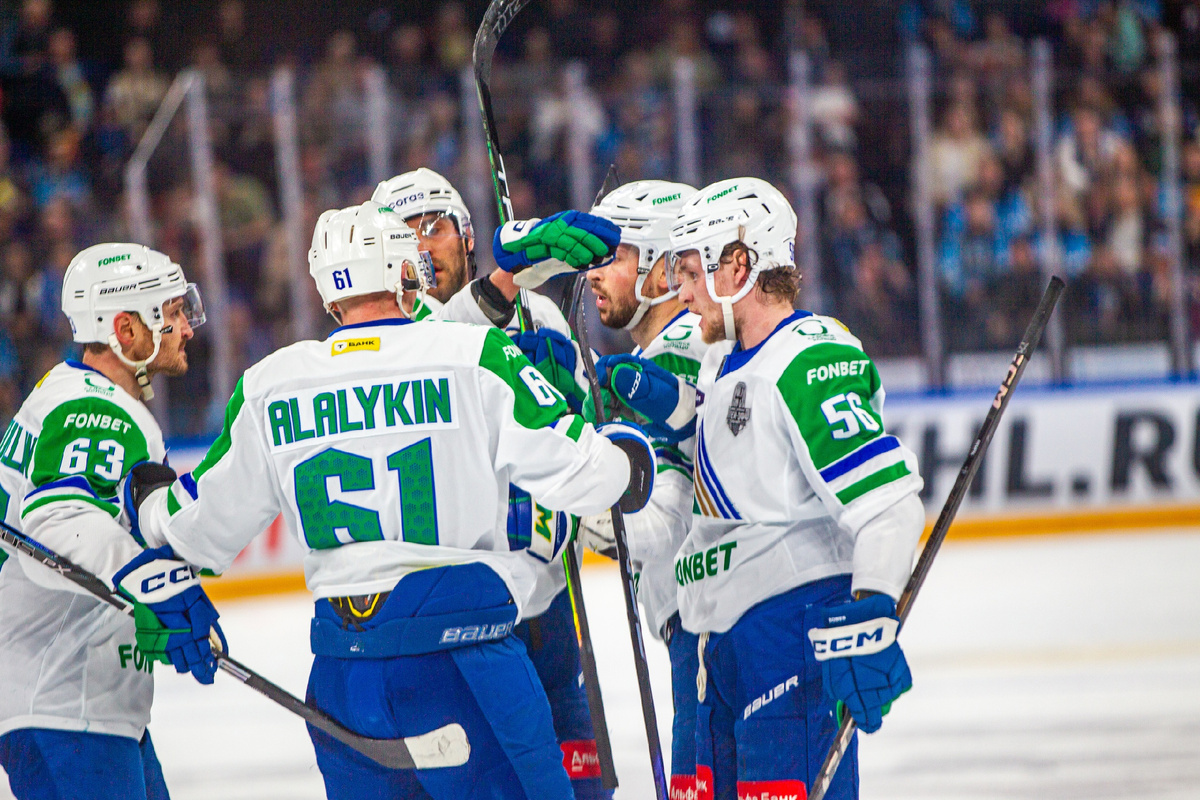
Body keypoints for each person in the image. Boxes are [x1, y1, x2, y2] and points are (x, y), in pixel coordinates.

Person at [125, 201, 655, 800]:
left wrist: (147, 499)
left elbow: (197, 530)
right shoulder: (475, 355)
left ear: (329, 295)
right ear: (408, 277)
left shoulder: (271, 383)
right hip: (465, 654)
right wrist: (627, 455)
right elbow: (589, 477)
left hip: (344, 677)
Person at [662, 178, 925, 799]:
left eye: (695, 271)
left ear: (740, 265)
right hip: (721, 643)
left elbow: (887, 503)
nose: (685, 291)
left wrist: (873, 612)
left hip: (788, 637)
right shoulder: (722, 358)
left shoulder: (809, 358)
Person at [373, 168, 614, 797]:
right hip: (458, 615)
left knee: (583, 787)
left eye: (435, 226)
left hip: (548, 597)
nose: (422, 244)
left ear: (466, 234)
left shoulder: (539, 315)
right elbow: (441, 352)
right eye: (404, 234)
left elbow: (576, 434)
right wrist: (503, 288)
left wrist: (571, 405)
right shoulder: (387, 334)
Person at [0, 243, 212, 800]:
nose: (186, 327)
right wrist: (151, 582)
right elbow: (56, 517)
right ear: (125, 328)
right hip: (62, 706)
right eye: (169, 313)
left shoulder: (68, 392)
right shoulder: (95, 409)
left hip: (81, 700)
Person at [575, 179, 711, 797]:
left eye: (612, 257)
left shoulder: (681, 349)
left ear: (660, 267)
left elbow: (672, 513)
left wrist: (583, 506)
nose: (593, 275)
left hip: (712, 633)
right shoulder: (657, 358)